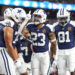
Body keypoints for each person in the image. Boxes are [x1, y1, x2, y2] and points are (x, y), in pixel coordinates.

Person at [22, 9, 57, 75]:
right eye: (35, 16)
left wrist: (53, 54)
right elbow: (22, 32)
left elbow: (54, 44)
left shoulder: (48, 28)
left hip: (44, 55)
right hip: (34, 55)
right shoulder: (30, 26)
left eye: (38, 16)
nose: (36, 18)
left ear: (43, 17)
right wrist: (25, 21)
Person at [0, 7, 31, 75]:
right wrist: (16, 60)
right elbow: (9, 44)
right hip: (2, 50)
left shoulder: (14, 25)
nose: (23, 21)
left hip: (5, 49)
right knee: (10, 72)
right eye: (22, 19)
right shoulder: (9, 24)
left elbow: (13, 44)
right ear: (16, 17)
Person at [53, 8, 75, 75]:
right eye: (61, 18)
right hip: (60, 51)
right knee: (61, 72)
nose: (62, 20)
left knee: (72, 69)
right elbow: (54, 40)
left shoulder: (73, 24)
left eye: (64, 18)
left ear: (68, 17)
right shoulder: (54, 26)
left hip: (71, 50)